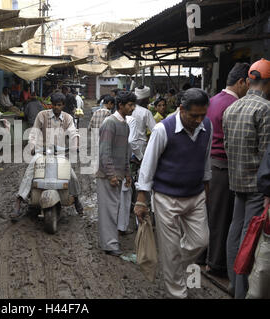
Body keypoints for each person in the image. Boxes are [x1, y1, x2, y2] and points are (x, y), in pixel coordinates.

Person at [134, 88, 213, 299]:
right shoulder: (163, 129)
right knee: (170, 250)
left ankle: (172, 263)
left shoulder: (207, 126)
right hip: (166, 198)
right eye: (194, 115)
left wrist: (206, 185)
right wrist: (141, 199)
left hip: (195, 195)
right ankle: (176, 293)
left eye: (202, 115)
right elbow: (148, 166)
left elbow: (205, 159)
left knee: (200, 241)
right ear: (181, 109)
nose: (198, 120)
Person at [223, 58, 270, 299]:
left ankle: (233, 284)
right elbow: (266, 155)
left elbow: (228, 146)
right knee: (248, 237)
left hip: (236, 180)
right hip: (255, 185)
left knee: (236, 229)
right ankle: (241, 290)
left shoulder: (232, 108)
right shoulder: (265, 109)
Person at [200, 62, 250, 278]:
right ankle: (215, 263)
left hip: (208, 163)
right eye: (248, 84)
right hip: (222, 166)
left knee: (207, 214)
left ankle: (201, 256)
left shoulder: (212, 101)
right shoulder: (234, 105)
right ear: (241, 82)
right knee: (221, 218)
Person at [11, 93, 84, 219]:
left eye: (59, 105)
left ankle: (76, 198)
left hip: (60, 152)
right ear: (51, 105)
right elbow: (34, 132)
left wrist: (75, 144)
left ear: (63, 105)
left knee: (71, 175)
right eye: (54, 105)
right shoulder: (42, 115)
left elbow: (73, 132)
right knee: (30, 172)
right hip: (42, 151)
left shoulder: (68, 118)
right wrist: (32, 146)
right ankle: (19, 200)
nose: (56, 107)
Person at [97, 92, 135, 256]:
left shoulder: (125, 125)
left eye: (133, 105)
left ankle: (111, 243)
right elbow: (104, 152)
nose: (132, 108)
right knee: (109, 211)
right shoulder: (110, 123)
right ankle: (110, 245)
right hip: (108, 176)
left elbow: (126, 151)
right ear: (121, 105)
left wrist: (127, 173)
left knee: (114, 209)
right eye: (130, 105)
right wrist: (112, 174)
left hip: (118, 174)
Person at [131, 86, 156, 161]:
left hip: (128, 146)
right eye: (148, 99)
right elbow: (155, 130)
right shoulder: (146, 112)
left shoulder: (128, 110)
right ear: (145, 99)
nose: (148, 102)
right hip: (141, 146)